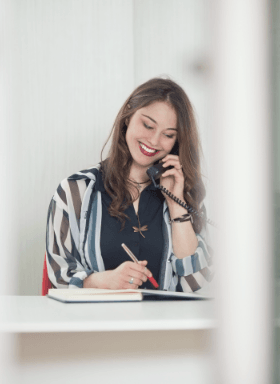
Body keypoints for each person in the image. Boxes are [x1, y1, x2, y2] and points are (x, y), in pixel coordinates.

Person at [45, 77, 213, 292]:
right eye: (148, 125)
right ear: (128, 117)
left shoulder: (184, 195)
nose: (153, 141)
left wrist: (176, 204)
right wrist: (101, 281)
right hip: (96, 322)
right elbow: (58, 275)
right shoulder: (74, 191)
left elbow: (195, 280)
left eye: (168, 135)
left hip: (164, 323)